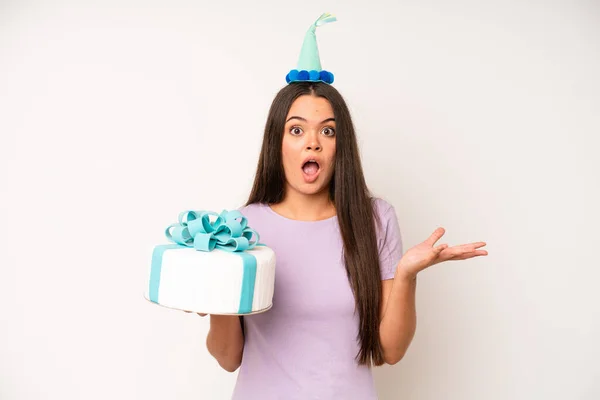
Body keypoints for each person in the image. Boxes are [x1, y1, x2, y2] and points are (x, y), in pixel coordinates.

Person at [196, 13, 487, 399]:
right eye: (296, 130)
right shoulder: (239, 229)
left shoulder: (375, 220)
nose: (312, 142)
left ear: (340, 145)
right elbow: (228, 357)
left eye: (327, 131)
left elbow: (390, 351)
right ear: (277, 142)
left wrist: (406, 275)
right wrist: (217, 297)